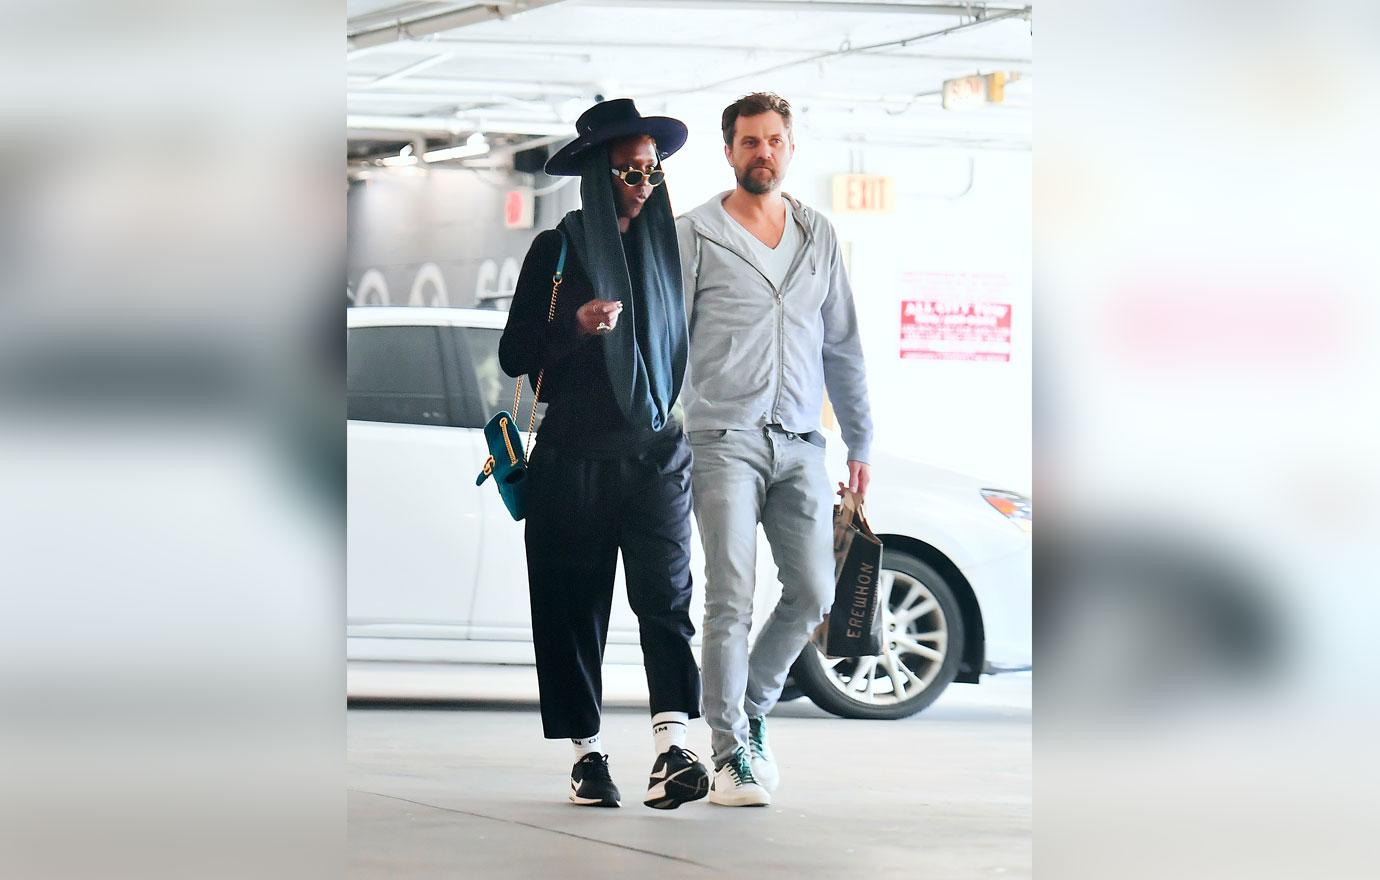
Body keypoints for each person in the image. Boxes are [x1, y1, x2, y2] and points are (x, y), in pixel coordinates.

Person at [499, 98, 709, 810]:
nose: (643, 184)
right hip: (573, 455)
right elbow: (515, 355)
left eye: (652, 170)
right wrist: (578, 327)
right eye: (629, 171)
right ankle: (588, 755)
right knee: (571, 609)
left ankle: (673, 745)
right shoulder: (557, 249)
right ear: (597, 172)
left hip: (657, 452)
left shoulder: (668, 250)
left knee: (667, 601)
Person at [675, 92, 874, 806]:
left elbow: (844, 345)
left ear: (790, 148)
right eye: (750, 142)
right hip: (722, 439)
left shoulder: (818, 234)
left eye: (775, 141)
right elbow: (667, 341)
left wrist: (861, 439)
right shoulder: (693, 233)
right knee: (728, 594)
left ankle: (753, 707)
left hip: (799, 442)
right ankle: (728, 753)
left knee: (815, 590)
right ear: (728, 151)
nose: (764, 152)